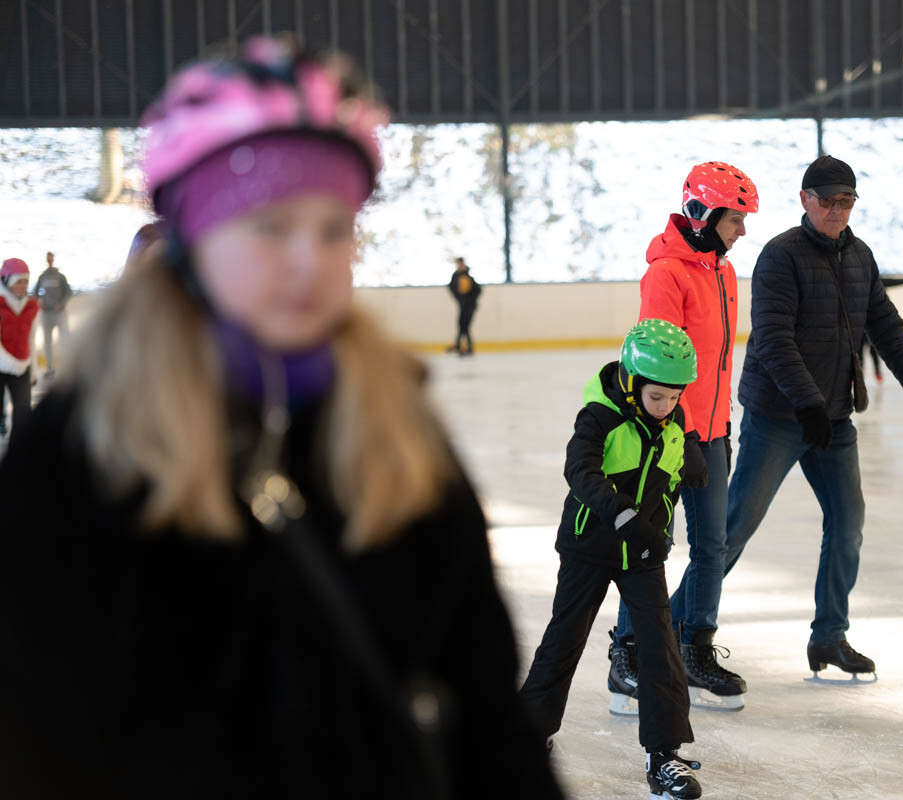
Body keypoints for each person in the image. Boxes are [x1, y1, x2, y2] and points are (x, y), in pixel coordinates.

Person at [0, 37, 562, 800]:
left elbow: (486, 708)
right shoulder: (74, 452)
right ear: (191, 242)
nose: (312, 260)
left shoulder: (392, 423)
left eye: (335, 229)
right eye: (270, 226)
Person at [722, 154, 903, 679]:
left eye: (847, 201)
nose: (838, 211)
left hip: (834, 419)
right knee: (733, 528)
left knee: (847, 525)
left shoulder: (859, 255)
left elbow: (883, 322)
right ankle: (678, 628)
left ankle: (829, 638)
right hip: (779, 416)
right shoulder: (780, 256)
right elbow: (773, 339)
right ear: (805, 200)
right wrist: (807, 403)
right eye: (828, 201)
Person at [520, 319, 703, 800]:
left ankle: (664, 754)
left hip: (642, 551)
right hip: (590, 546)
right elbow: (580, 471)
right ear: (630, 382)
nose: (667, 408)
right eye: (658, 397)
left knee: (660, 645)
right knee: (564, 638)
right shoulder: (599, 417)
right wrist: (624, 518)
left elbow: (667, 466)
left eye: (675, 397)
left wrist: (689, 460)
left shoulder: (672, 418)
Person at [608, 161, 759, 716]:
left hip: (715, 433)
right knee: (651, 547)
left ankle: (695, 647)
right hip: (670, 438)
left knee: (712, 547)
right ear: (705, 213)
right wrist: (686, 436)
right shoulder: (666, 274)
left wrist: (718, 429)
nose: (741, 230)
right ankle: (626, 654)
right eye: (735, 219)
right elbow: (658, 366)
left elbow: (715, 363)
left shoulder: (721, 270)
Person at [0, 257, 40, 438]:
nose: (23, 285)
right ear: (6, 280)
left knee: (24, 415)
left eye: (26, 281)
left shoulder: (31, 306)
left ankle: (18, 457)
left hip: (22, 367)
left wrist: (33, 370)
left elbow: (31, 338)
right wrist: (13, 364)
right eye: (18, 281)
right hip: (3, 366)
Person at [34, 250, 72, 377]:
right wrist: (39, 301)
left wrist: (61, 304)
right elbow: (35, 293)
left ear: (53, 259)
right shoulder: (42, 276)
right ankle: (49, 368)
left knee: (65, 340)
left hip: (59, 313)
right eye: (47, 258)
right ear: (46, 260)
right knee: (47, 342)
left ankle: (68, 367)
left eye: (51, 258)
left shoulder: (60, 276)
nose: (49, 260)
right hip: (46, 314)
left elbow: (68, 292)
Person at [447, 257, 481, 355]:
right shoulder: (456, 277)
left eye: (460, 264)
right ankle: (460, 345)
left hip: (470, 305)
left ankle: (463, 346)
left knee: (465, 326)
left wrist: (470, 299)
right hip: (463, 305)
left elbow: (478, 290)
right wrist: (459, 299)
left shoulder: (469, 277)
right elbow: (452, 288)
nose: (459, 266)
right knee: (462, 325)